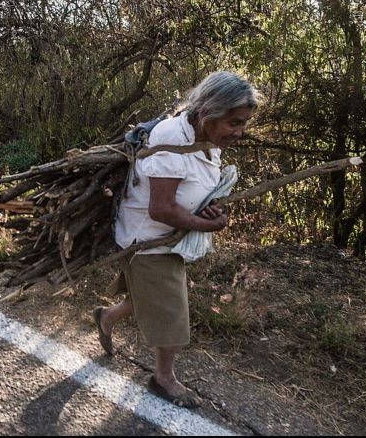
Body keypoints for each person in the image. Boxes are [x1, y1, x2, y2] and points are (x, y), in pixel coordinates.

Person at [93, 71, 261, 408]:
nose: (239, 132)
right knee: (173, 309)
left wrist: (207, 209)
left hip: (168, 237)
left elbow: (191, 187)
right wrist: (204, 224)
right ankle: (163, 378)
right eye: (234, 123)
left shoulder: (206, 138)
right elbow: (161, 208)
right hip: (147, 238)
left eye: (243, 124)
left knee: (149, 296)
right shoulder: (173, 138)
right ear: (208, 113)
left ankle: (106, 317)